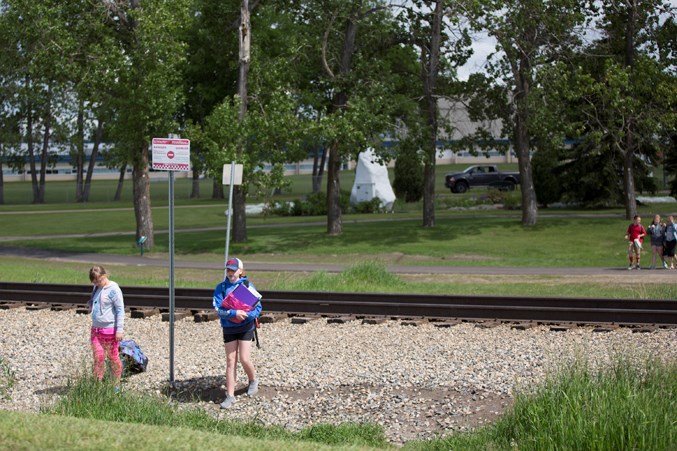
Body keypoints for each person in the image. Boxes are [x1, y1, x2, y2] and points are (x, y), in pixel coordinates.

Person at [213, 257, 262, 409]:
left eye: (233, 270)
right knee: (230, 361)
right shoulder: (220, 288)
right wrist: (234, 313)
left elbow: (258, 308)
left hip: (246, 327)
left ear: (241, 271)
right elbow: (219, 310)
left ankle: (253, 380)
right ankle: (230, 395)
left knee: (244, 358)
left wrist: (247, 315)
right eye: (228, 270)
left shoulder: (247, 285)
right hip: (229, 328)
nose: (230, 273)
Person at [87, 265, 124, 388]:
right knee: (98, 357)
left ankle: (116, 384)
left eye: (99, 280)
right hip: (96, 330)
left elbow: (120, 310)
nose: (98, 283)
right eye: (95, 282)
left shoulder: (113, 289)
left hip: (110, 330)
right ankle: (97, 384)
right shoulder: (96, 288)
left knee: (113, 357)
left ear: (105, 275)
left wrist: (119, 330)